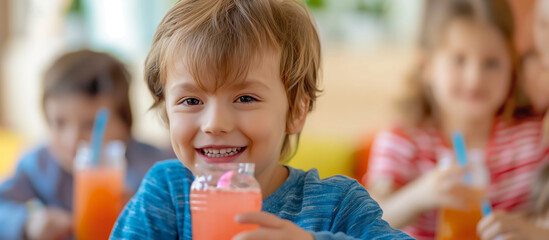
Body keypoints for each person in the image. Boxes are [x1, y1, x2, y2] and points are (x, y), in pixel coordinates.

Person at [109, 0, 412, 239]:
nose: (215, 123)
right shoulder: (167, 194)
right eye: (191, 101)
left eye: (245, 98)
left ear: (296, 112)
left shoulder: (336, 205)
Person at [365, 0, 549, 239]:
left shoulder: (534, 140)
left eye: (492, 63)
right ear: (427, 66)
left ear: (511, 65)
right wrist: (421, 194)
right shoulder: (402, 139)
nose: (474, 78)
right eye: (458, 60)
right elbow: (366, 223)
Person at [0, 50, 172, 240]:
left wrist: (143, 209)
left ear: (124, 123)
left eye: (90, 124)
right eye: (59, 122)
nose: (72, 140)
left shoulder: (156, 167)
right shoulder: (39, 164)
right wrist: (28, 223)